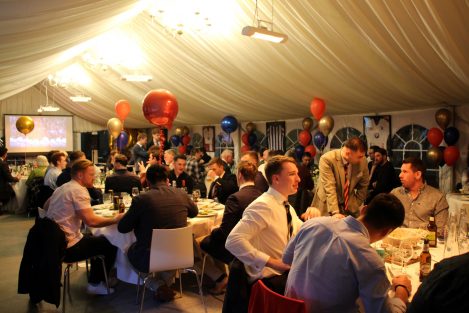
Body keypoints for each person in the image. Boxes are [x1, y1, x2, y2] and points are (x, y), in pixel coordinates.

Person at [283, 193, 411, 313]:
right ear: (386, 232)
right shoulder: (370, 260)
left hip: (288, 308)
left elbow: (287, 259)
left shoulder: (312, 224)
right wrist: (402, 290)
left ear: (364, 210)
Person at [118, 164, 198, 301]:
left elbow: (122, 228)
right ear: (167, 179)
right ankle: (165, 286)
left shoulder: (141, 199)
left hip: (151, 256)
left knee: (125, 249)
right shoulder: (181, 194)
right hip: (182, 253)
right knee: (167, 249)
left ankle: (157, 285)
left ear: (147, 182)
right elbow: (194, 212)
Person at [225, 155, 303, 294]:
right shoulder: (263, 205)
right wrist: (273, 262)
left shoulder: (286, 206)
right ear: (276, 179)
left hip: (283, 274)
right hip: (269, 281)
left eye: (297, 174)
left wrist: (314, 220)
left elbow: (301, 232)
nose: (298, 179)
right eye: (292, 174)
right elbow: (233, 241)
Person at [45, 159, 123, 295]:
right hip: (67, 247)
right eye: (91, 175)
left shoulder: (63, 187)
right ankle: (96, 283)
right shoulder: (79, 191)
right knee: (110, 243)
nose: (94, 178)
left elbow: (46, 206)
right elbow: (91, 221)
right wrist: (115, 219)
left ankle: (100, 276)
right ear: (80, 175)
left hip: (52, 242)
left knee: (96, 237)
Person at [200, 160, 263, 293]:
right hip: (258, 243)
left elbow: (225, 233)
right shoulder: (262, 195)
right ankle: (222, 276)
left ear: (239, 175)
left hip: (238, 248)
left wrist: (213, 231)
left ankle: (221, 277)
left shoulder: (235, 198)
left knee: (203, 242)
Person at [311, 137, 369, 217]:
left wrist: (355, 203)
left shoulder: (363, 161)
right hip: (327, 203)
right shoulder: (327, 159)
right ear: (348, 153)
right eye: (359, 157)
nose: (361, 159)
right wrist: (335, 212)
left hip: (349, 204)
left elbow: (364, 185)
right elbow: (330, 187)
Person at [390, 157, 448, 235]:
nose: (400, 175)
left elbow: (440, 230)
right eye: (401, 171)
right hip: (397, 241)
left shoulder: (437, 197)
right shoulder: (395, 194)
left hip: (424, 242)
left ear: (418, 174)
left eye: (405, 172)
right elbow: (385, 221)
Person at [294, 152, 315, 216]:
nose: (307, 162)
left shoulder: (300, 167)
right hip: (301, 192)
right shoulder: (303, 169)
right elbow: (311, 185)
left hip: (297, 191)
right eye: (306, 160)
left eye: (309, 160)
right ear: (302, 159)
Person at [0, 147, 20, 212]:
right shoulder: (3, 164)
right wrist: (17, 178)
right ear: (4, 154)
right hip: (1, 186)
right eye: (6, 153)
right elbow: (9, 178)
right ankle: (1, 206)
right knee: (14, 192)